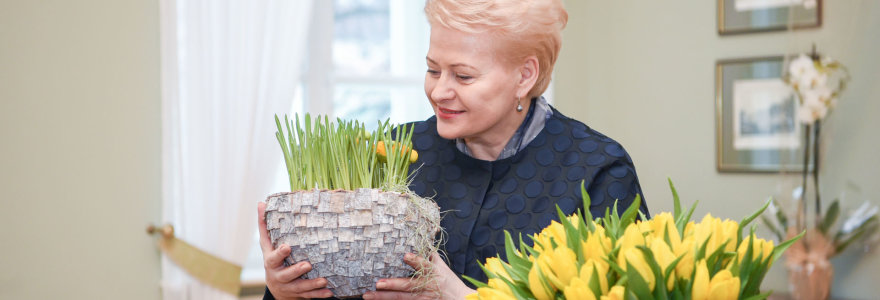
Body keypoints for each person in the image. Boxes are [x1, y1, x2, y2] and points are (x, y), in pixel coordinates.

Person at [260, 0, 650, 299]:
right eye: (432, 70)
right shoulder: (396, 154)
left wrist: (457, 295)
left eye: (463, 75)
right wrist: (283, 292)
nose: (439, 91)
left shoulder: (597, 170)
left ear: (525, 76)